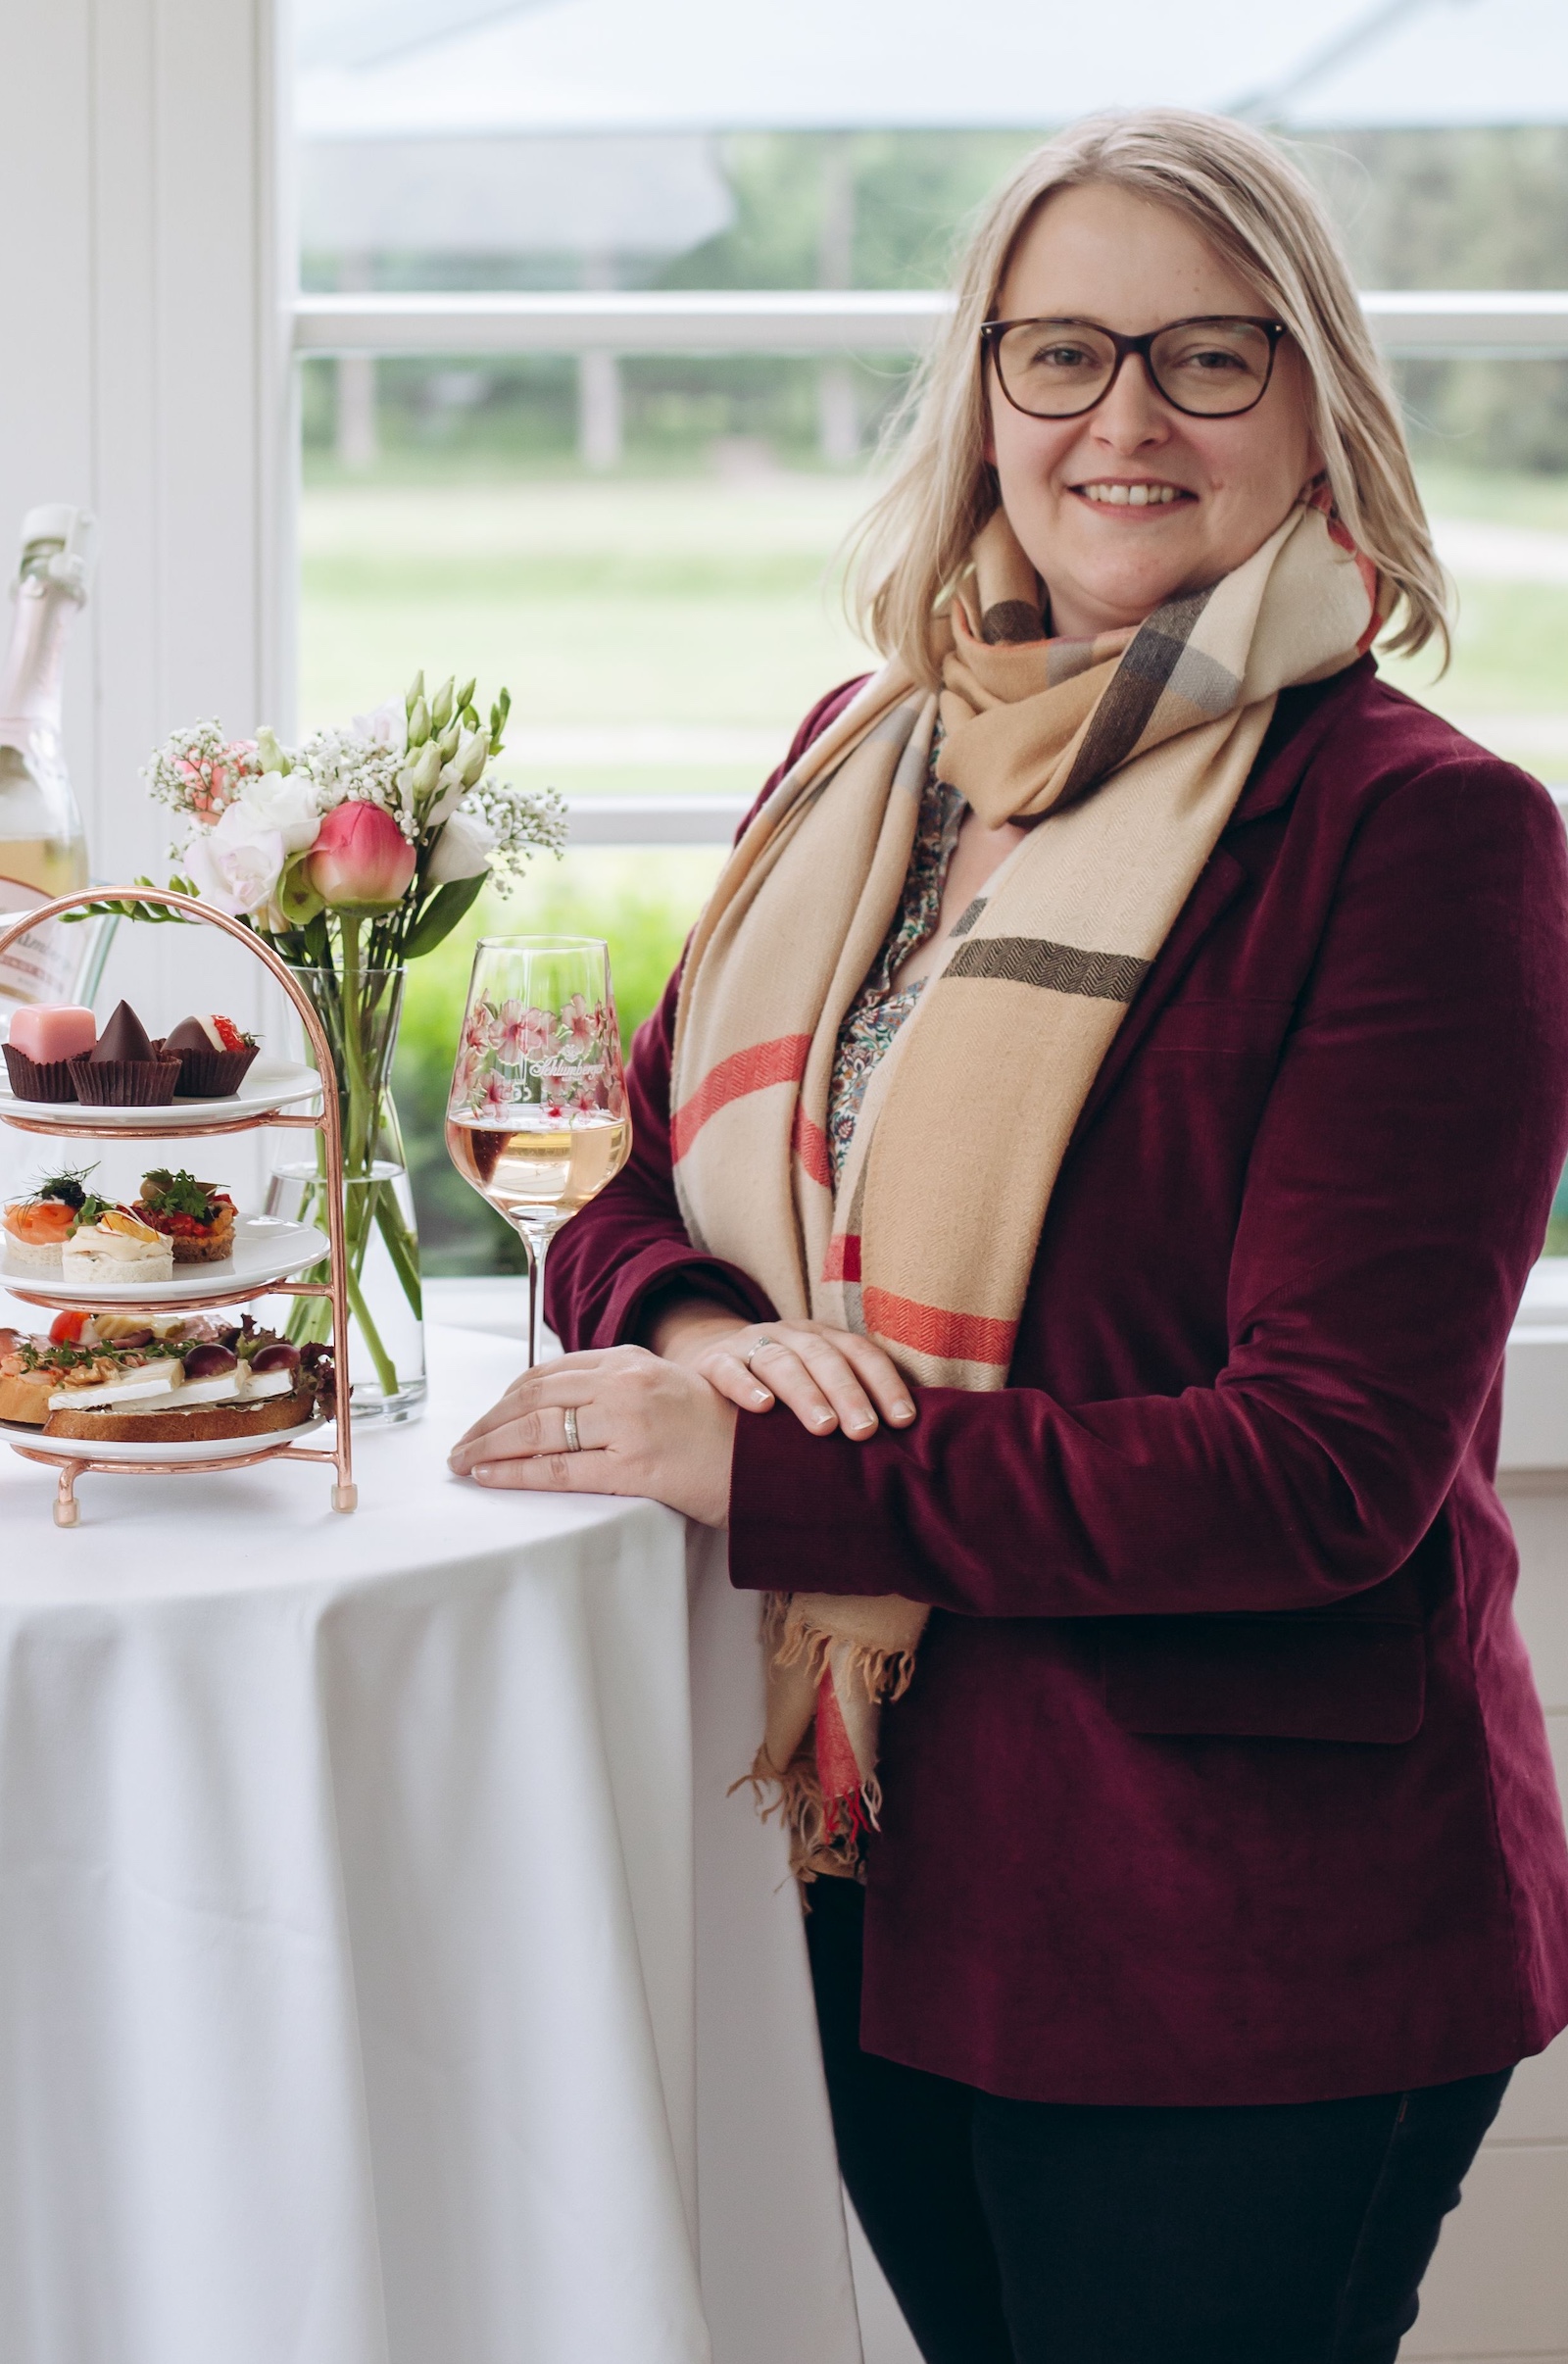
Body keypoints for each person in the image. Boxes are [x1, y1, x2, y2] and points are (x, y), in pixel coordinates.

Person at [449, 109, 1568, 2364]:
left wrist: (748, 1466)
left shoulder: (1421, 837)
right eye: (1056, 354)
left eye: (1203, 359)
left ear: (1314, 401)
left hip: (1234, 1928)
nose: (1119, 420)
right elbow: (635, 1181)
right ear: (978, 395)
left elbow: (1320, 1474)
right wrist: (699, 1322)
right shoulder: (868, 761)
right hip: (877, 1861)